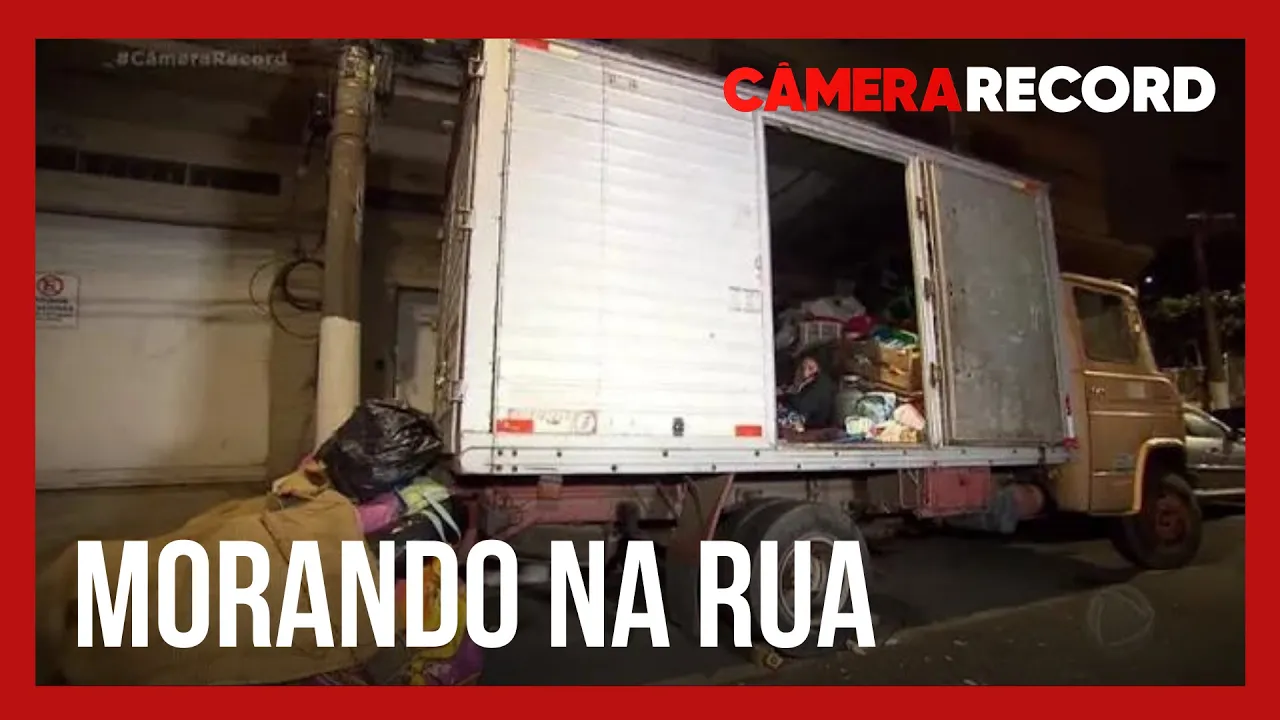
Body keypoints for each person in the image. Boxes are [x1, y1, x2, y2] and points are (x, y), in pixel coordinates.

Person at [779, 355, 838, 430]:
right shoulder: (807, 382)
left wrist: (788, 395)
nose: (805, 373)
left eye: (810, 368)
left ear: (819, 368)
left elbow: (803, 407)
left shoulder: (822, 383)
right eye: (802, 368)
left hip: (816, 427)